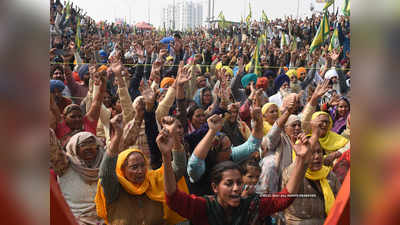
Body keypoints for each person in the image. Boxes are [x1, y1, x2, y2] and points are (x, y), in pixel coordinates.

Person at [163, 124, 319, 225]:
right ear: (214, 187)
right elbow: (173, 198)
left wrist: (301, 160)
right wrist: (166, 155)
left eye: (239, 182)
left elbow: (285, 198)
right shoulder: (204, 207)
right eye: (229, 183)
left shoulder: (252, 205)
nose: (237, 188)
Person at [95, 115, 188, 225]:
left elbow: (179, 167)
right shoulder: (115, 189)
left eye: (143, 165)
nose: (140, 171)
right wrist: (117, 137)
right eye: (134, 167)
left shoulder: (153, 181)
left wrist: (174, 137)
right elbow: (106, 174)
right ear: (122, 169)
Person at [50, 129, 105, 225]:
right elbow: (52, 147)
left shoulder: (105, 164)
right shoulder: (64, 166)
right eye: (83, 144)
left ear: (97, 146)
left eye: (91, 143)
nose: (88, 148)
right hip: (78, 221)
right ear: (74, 148)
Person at [282, 135, 340, 225]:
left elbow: (340, 203)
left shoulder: (329, 175)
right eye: (312, 153)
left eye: (319, 152)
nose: (317, 156)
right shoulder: (293, 174)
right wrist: (299, 159)